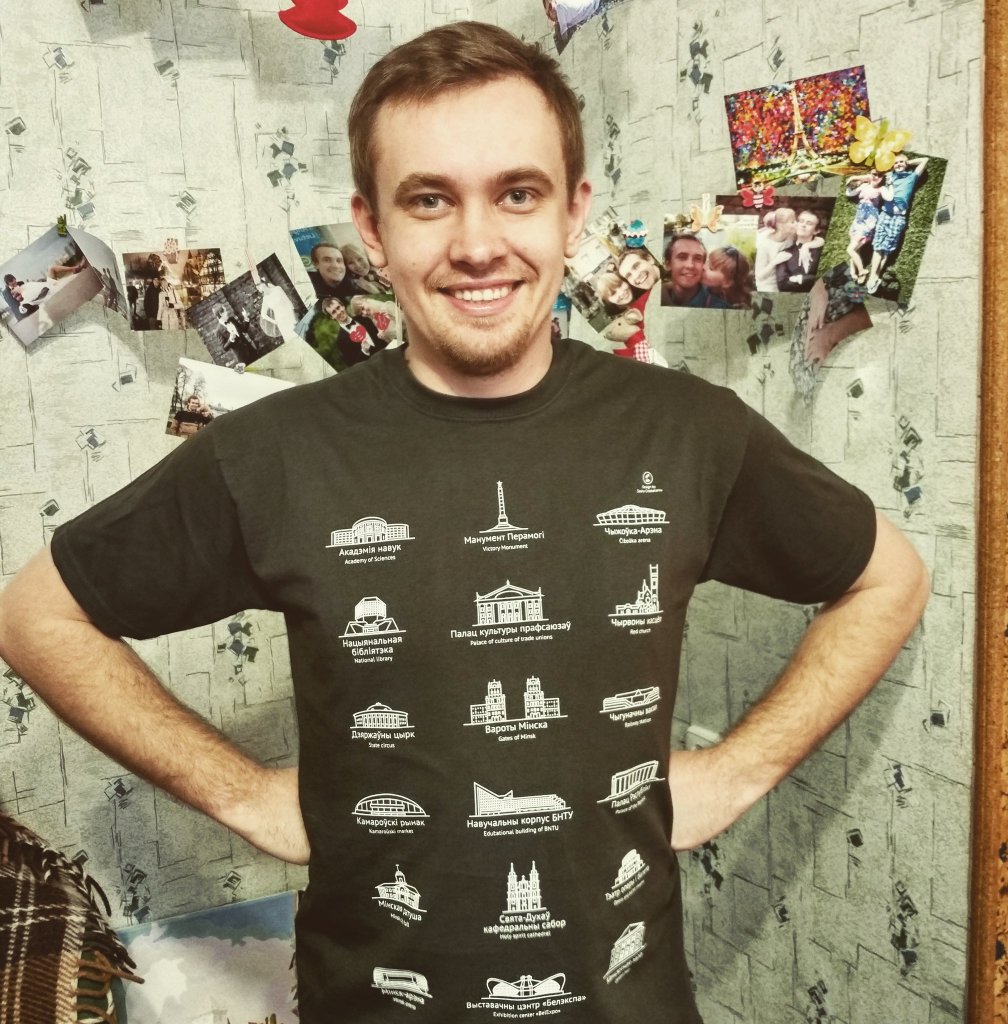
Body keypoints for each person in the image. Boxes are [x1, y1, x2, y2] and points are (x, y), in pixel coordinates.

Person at [0, 22, 929, 1024]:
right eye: (430, 199)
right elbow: (37, 616)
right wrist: (242, 795)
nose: (477, 243)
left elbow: (890, 578)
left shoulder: (693, 431)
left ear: (573, 211)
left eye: (517, 193)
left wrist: (739, 774)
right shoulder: (268, 451)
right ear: (372, 228)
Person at [866, 155, 928, 294]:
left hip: (899, 217)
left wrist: (907, 162)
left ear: (906, 164)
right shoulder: (889, 176)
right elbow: (874, 174)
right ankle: (872, 278)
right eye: (896, 163)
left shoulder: (912, 176)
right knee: (878, 247)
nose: (898, 164)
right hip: (885, 215)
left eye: (901, 162)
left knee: (886, 250)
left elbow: (924, 160)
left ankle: (875, 277)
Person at [661, 232, 729, 308]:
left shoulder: (720, 307)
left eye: (698, 259)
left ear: (703, 265)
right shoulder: (655, 297)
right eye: (682, 257)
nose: (690, 265)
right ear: (668, 264)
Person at [844, 170, 885, 283]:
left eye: (879, 175)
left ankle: (862, 271)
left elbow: (889, 196)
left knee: (851, 249)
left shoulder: (881, 189)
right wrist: (854, 178)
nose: (876, 176)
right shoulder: (864, 186)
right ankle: (854, 272)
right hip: (858, 219)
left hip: (869, 221)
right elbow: (849, 193)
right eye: (874, 174)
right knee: (856, 248)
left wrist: (866, 177)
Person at [776, 209, 825, 292]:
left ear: (816, 231)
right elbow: (782, 284)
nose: (803, 225)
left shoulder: (821, 251)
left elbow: (826, 278)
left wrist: (802, 279)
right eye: (801, 221)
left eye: (809, 223)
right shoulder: (785, 252)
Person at [753, 207, 795, 292]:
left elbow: (817, 239)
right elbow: (760, 276)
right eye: (792, 222)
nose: (796, 224)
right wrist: (775, 261)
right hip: (768, 286)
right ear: (780, 225)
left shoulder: (791, 237)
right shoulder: (764, 245)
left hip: (784, 282)